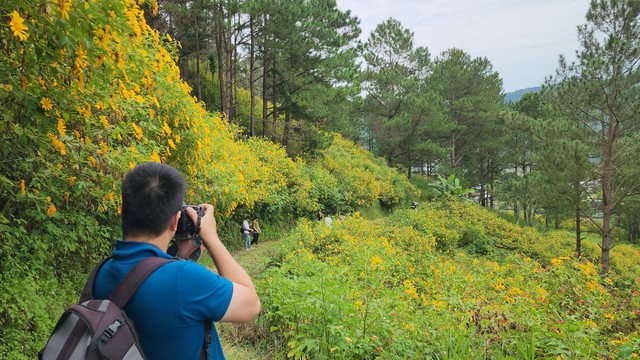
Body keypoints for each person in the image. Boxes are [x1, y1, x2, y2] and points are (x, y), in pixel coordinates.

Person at [93, 162, 261, 359]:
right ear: (175, 221)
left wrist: (181, 255)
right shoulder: (184, 278)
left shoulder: (100, 273)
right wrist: (211, 237)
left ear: (124, 211)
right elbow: (251, 305)